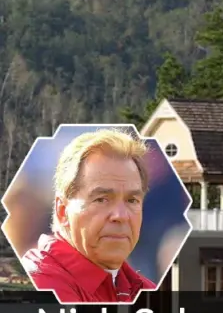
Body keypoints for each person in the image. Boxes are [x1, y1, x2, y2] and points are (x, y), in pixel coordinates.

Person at [21, 129, 156, 303]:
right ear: (62, 211)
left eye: (132, 200)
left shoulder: (143, 289)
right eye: (101, 199)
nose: (121, 216)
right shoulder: (41, 283)